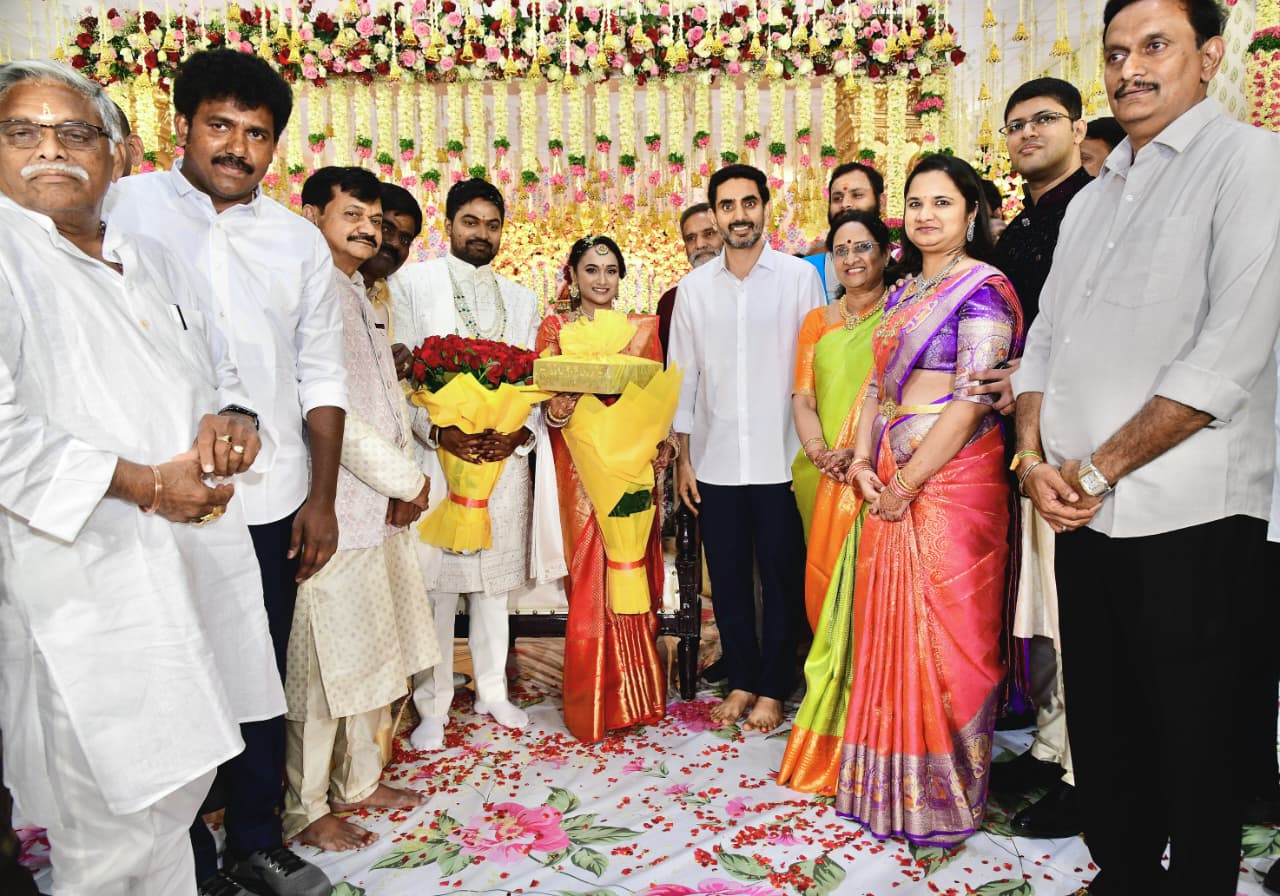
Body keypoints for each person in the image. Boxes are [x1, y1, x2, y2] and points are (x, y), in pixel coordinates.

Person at [1011, 0, 1280, 889]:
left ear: (1209, 55)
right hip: (1079, 507)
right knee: (1106, 718)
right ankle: (1124, 872)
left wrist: (1095, 470)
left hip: (1190, 508)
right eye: (1116, 51)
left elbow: (1228, 355)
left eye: (1154, 46)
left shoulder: (1252, 164)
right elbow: (1045, 342)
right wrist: (1032, 459)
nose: (1129, 68)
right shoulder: (1093, 199)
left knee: (1197, 730)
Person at [0, 59, 282, 895]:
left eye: (74, 132)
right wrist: (149, 486)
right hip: (89, 585)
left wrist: (237, 418)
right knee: (112, 830)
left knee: (178, 795)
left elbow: (221, 371)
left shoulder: (151, 256)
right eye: (22, 132)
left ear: (118, 152)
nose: (51, 150)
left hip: (192, 566)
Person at [105, 49, 343, 896]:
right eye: (220, 126)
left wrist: (321, 499)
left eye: (258, 134)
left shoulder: (297, 242)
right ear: (184, 125)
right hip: (151, 494)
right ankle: (182, 855)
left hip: (269, 498)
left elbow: (321, 375)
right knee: (165, 669)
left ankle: (253, 840)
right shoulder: (121, 206)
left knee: (257, 673)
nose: (238, 147)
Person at [835, 154, 1023, 846]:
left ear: (971, 212)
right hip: (888, 477)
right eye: (915, 203)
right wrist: (862, 462)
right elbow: (874, 388)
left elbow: (972, 404)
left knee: (950, 637)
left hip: (952, 485)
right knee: (889, 629)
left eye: (942, 202)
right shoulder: (904, 292)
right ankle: (885, 783)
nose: (926, 215)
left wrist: (907, 484)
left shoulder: (984, 289)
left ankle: (944, 794)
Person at [283, 166, 439, 851]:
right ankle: (305, 808)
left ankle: (358, 781)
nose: (369, 230)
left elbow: (383, 404)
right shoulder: (310, 290)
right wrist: (407, 481)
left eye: (375, 220)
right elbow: (331, 413)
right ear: (312, 215)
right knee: (324, 672)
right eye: (352, 214)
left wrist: (403, 483)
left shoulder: (360, 291)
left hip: (379, 508)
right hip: (336, 509)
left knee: (373, 656)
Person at [391, 178, 564, 750]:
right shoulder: (412, 284)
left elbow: (535, 379)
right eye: (471, 222)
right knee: (436, 590)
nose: (481, 234)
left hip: (502, 460)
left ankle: (493, 691)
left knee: (492, 589)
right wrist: (438, 431)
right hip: (438, 462)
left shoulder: (522, 298)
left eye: (492, 225)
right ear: (448, 225)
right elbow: (403, 377)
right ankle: (432, 704)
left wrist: (517, 433)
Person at [670, 163, 824, 733]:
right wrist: (684, 458)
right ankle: (741, 678)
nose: (739, 215)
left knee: (782, 578)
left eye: (749, 203)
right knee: (730, 578)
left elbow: (815, 366)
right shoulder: (693, 289)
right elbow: (682, 376)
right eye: (728, 205)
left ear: (765, 207)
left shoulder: (798, 278)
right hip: (715, 459)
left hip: (784, 455)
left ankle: (774, 688)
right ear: (714, 215)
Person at [984, 76, 1094, 840]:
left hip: (1076, 441)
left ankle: (1090, 772)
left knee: (1076, 608)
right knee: (1044, 609)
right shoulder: (1024, 224)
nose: (1028, 133)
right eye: (1016, 124)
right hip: (1025, 439)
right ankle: (1053, 750)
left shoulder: (1097, 208)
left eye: (1043, 120)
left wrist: (1025, 376)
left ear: (1077, 128)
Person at [535, 235, 671, 742]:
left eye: (611, 270)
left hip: (631, 471)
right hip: (579, 473)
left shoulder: (641, 330)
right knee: (591, 580)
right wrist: (559, 407)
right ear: (572, 276)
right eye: (591, 269)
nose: (601, 280)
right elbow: (544, 405)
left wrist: (660, 445)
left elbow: (656, 402)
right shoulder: (556, 329)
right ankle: (593, 703)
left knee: (632, 572)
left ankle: (638, 697)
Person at [777, 210, 890, 794]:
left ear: (886, 253)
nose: (851, 259)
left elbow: (902, 392)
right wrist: (820, 450)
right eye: (840, 249)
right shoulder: (817, 321)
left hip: (882, 473)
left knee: (877, 595)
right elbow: (803, 397)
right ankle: (831, 713)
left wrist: (862, 452)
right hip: (821, 474)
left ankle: (874, 723)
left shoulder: (903, 312)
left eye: (862, 246)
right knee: (825, 590)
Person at [802, 161, 885, 301]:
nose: (845, 204)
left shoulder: (903, 277)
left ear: (881, 203)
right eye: (837, 198)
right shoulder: (805, 271)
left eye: (857, 195)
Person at [655, 203, 722, 361]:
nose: (699, 245)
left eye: (709, 234)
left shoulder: (747, 291)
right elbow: (663, 365)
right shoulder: (669, 301)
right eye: (691, 238)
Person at [361, 180, 422, 351]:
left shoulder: (385, 294)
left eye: (405, 240)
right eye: (386, 229)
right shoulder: (326, 288)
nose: (395, 244)